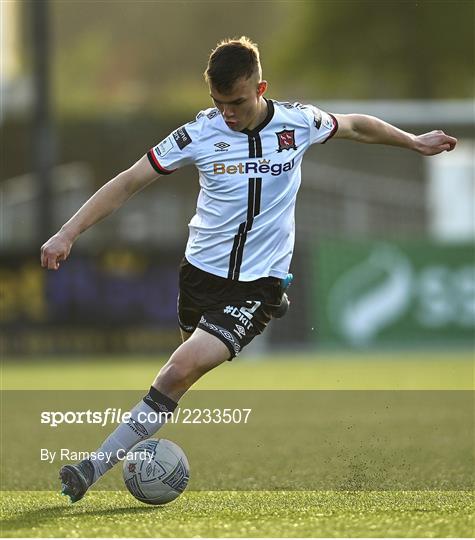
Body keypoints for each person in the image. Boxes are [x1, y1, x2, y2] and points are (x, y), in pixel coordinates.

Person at [40, 36, 457, 502]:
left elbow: (356, 125)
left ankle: (90, 469)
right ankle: (135, 443)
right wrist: (68, 232)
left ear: (261, 88)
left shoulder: (298, 123)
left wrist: (412, 141)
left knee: (177, 371)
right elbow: (129, 182)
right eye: (219, 104)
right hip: (198, 276)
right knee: (180, 376)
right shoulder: (198, 133)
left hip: (258, 284)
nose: (228, 114)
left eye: (236, 102)